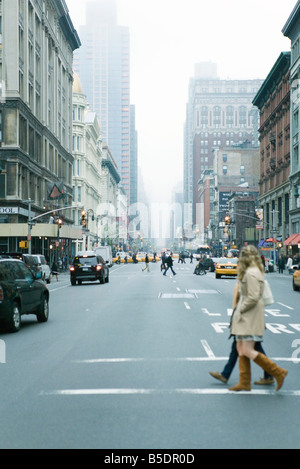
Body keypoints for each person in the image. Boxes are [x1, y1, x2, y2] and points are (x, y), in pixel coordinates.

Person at [229, 245, 288, 392]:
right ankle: (244, 382)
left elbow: (253, 296)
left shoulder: (251, 273)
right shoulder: (253, 271)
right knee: (240, 347)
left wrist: (240, 309)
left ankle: (277, 372)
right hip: (248, 315)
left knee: (247, 349)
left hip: (249, 316)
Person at [209, 280, 274, 385]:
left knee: (250, 349)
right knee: (238, 348)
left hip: (248, 322)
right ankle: (226, 374)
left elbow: (252, 301)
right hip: (247, 321)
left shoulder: (250, 278)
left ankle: (274, 373)